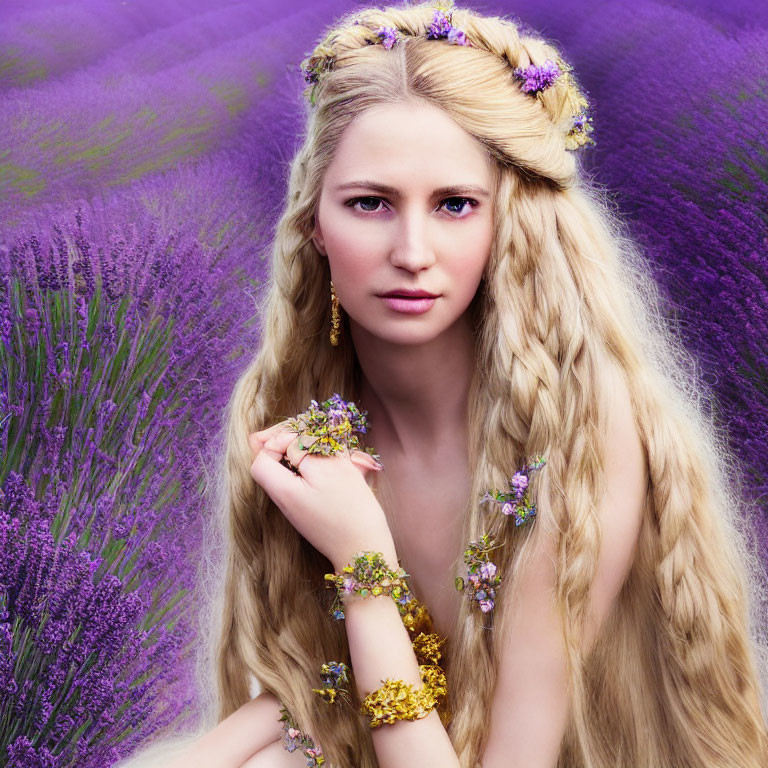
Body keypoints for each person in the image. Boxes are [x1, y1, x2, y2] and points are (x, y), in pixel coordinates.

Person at [117, 1, 768, 766]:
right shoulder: (300, 421)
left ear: (509, 222)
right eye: (370, 204)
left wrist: (363, 563)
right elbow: (324, 692)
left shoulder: (577, 436)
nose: (413, 251)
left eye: (455, 205)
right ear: (314, 224)